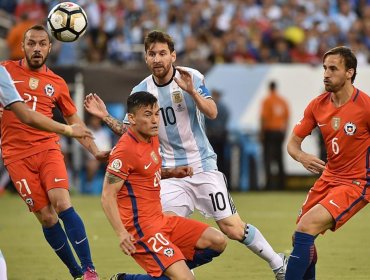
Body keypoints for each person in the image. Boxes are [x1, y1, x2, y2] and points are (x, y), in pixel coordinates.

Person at [85, 30, 287, 279]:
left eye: (162, 53)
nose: (157, 59)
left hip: (202, 166)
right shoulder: (140, 89)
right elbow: (129, 130)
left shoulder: (190, 76)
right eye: (152, 54)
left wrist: (192, 91)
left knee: (232, 228)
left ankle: (279, 264)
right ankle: (180, 272)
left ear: (173, 55)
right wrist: (105, 116)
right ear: (146, 59)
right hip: (168, 174)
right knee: (166, 227)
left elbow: (211, 112)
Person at [1, 25, 109, 280]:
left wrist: (95, 151)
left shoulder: (58, 83)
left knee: (61, 202)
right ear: (23, 46)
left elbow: (76, 124)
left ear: (50, 47)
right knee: (47, 218)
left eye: (41, 44)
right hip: (15, 156)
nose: (36, 48)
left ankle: (89, 270)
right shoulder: (5, 71)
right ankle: (75, 273)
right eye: (31, 43)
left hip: (47, 148)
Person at [102, 91, 227, 280]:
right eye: (147, 114)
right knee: (186, 279)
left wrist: (172, 172)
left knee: (217, 241)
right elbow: (107, 196)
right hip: (142, 229)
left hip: (161, 219)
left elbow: (145, 173)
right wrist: (121, 233)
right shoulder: (124, 150)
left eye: (156, 113)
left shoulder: (151, 137)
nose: (154, 120)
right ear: (132, 119)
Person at [286, 46, 370, 279]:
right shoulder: (317, 105)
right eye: (325, 68)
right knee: (300, 237)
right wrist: (302, 157)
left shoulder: (365, 107)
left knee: (305, 228)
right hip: (328, 178)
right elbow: (292, 144)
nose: (326, 74)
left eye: (333, 68)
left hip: (355, 182)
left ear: (349, 72)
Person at [260, 80, 290, 190]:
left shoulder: (267, 100)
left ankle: (269, 185)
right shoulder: (282, 101)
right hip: (280, 132)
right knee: (279, 159)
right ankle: (282, 185)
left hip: (269, 132)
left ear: (269, 88)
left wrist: (261, 133)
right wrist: (285, 132)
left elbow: (263, 118)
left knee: (268, 159)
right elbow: (287, 118)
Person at [205, 89, 230, 183]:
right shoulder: (224, 108)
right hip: (221, 136)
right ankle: (224, 181)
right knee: (222, 160)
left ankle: (216, 180)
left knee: (214, 159)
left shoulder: (211, 106)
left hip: (213, 137)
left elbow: (205, 120)